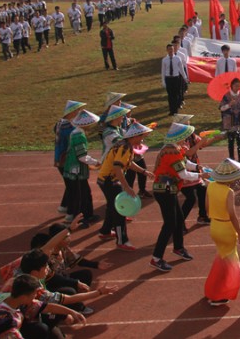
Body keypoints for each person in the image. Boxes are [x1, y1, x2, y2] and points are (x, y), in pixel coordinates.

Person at [149, 123, 219, 272]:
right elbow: (183, 174)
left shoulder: (175, 148)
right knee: (169, 224)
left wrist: (198, 167)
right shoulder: (171, 151)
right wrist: (201, 174)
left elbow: (185, 163)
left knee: (179, 220)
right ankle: (156, 258)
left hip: (170, 189)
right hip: (164, 191)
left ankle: (178, 247)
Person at [96, 122, 154, 251]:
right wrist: (127, 186)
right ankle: (122, 240)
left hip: (105, 179)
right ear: (134, 136)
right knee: (119, 211)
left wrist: (143, 171)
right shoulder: (125, 147)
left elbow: (129, 162)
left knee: (112, 206)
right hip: (109, 181)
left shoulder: (125, 145)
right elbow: (117, 168)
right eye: (141, 136)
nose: (143, 139)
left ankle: (105, 231)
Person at [0, 274, 84, 339]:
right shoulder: (9, 320)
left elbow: (48, 307)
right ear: (24, 296)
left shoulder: (6, 298)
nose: (36, 296)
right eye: (34, 294)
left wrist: (72, 312)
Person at [204, 158, 240, 306]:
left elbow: (207, 208)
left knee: (220, 259)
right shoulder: (229, 192)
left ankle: (212, 289)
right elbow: (232, 214)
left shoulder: (210, 186)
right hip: (226, 229)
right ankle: (219, 294)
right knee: (229, 264)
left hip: (214, 226)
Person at [64, 110, 102, 228]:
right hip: (76, 170)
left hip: (76, 169)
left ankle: (88, 215)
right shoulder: (79, 135)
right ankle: (81, 219)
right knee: (80, 196)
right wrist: (96, 162)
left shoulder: (77, 133)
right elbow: (82, 156)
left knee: (85, 193)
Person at [55, 100, 87, 217]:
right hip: (67, 161)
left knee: (70, 184)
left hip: (60, 159)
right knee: (74, 188)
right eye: (78, 110)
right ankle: (71, 214)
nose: (80, 113)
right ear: (72, 112)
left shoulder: (60, 123)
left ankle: (64, 206)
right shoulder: (68, 127)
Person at [219, 77, 240, 162]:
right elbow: (221, 108)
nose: (238, 88)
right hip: (229, 122)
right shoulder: (226, 96)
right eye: (236, 86)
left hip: (239, 121)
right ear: (231, 86)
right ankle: (231, 158)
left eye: (239, 86)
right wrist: (229, 104)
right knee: (231, 141)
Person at [162, 44, 188, 116]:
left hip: (176, 78)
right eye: (169, 49)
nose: (171, 51)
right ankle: (171, 110)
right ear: (167, 50)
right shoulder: (164, 60)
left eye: (172, 49)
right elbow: (163, 71)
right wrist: (163, 81)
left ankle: (175, 110)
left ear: (174, 50)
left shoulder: (177, 58)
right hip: (168, 79)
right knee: (170, 95)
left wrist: (185, 78)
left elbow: (181, 69)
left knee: (176, 94)